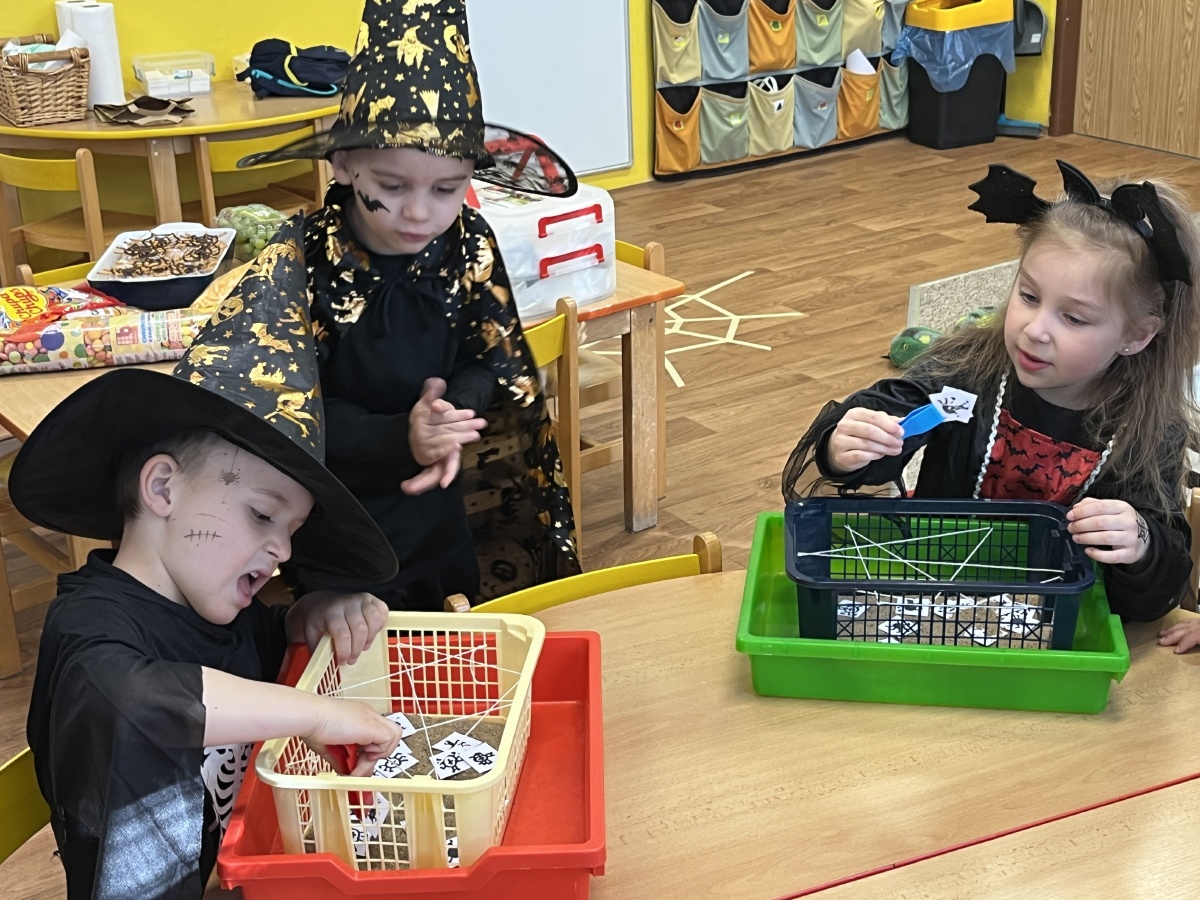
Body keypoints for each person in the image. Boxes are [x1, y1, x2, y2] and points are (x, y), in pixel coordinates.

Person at [16, 221, 405, 899]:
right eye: (262, 515)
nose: (284, 550)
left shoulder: (213, 608)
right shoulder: (90, 630)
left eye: (292, 530)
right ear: (163, 489)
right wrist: (312, 714)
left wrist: (314, 611)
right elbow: (134, 697)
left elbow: (265, 640)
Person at [237, 0, 582, 611]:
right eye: (393, 187)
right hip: (341, 534)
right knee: (358, 655)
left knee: (455, 646)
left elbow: (492, 362)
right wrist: (403, 436)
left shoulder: (468, 244)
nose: (420, 212)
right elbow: (282, 410)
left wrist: (449, 414)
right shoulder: (303, 260)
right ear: (344, 164)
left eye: (447, 188)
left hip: (442, 522)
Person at [782, 160, 1200, 621]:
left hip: (1053, 623)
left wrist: (1139, 541)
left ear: (1137, 335)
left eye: (1074, 317)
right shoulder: (967, 369)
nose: (1035, 330)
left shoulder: (1149, 430)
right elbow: (887, 419)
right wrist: (848, 446)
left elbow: (1157, 589)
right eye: (1029, 296)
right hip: (932, 592)